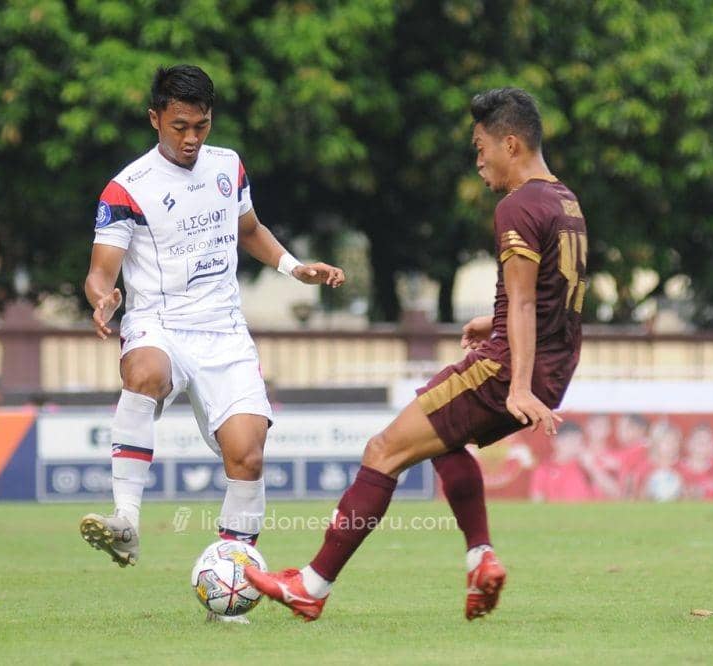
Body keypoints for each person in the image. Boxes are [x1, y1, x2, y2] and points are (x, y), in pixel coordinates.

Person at [246, 87, 587, 622]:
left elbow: (524, 301)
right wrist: (494, 323)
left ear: (512, 144)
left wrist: (516, 383)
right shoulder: (564, 200)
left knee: (383, 449)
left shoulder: (516, 206)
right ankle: (480, 558)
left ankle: (311, 586)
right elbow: (552, 296)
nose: (477, 160)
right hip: (551, 367)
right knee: (442, 442)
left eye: (481, 147)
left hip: (508, 371)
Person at [77, 65, 344, 619]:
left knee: (247, 453)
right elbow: (102, 269)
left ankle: (233, 588)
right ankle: (125, 519)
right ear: (155, 119)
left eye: (200, 125)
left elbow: (249, 232)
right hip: (160, 323)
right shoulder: (127, 188)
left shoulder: (228, 166)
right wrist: (103, 298)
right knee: (144, 371)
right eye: (179, 126)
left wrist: (295, 269)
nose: (192, 138)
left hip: (224, 331)